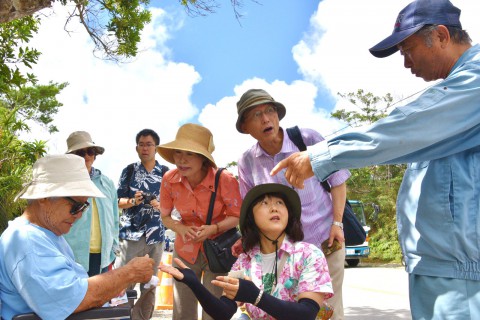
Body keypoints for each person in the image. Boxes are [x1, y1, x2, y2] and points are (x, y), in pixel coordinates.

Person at [271, 0, 480, 318]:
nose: (406, 64)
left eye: (408, 50)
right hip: (441, 262)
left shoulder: (474, 81)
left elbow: (408, 127)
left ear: (440, 35)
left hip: (460, 271)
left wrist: (323, 156)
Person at [235, 88, 350, 319]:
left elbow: (338, 181)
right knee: (287, 312)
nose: (266, 118)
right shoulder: (246, 162)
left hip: (325, 240)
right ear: (245, 127)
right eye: (256, 115)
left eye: (269, 111)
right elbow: (251, 210)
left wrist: (337, 223)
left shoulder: (307, 140)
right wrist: (246, 240)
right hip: (283, 254)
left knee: (328, 312)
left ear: (278, 115)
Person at [0, 154, 154, 320]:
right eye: (75, 206)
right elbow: (71, 300)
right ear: (44, 197)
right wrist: (128, 273)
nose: (80, 215)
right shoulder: (28, 242)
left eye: (84, 206)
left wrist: (113, 285)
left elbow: (73, 286)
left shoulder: (49, 234)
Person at [159, 183, 333, 320]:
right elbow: (224, 312)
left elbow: (306, 314)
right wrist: (194, 283)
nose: (274, 208)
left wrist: (256, 297)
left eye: (280, 203)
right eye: (265, 203)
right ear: (252, 218)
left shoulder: (309, 254)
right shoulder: (244, 261)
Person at [157, 123, 242, 320]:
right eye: (177, 153)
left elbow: (238, 215)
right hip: (185, 251)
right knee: (182, 309)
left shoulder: (225, 180)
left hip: (219, 251)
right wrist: (181, 228)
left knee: (213, 309)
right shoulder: (169, 180)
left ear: (203, 158)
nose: (181, 159)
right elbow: (165, 217)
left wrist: (215, 227)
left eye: (189, 154)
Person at [115, 128, 169, 320]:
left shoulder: (166, 173)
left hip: (156, 236)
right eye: (141, 144)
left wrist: (159, 205)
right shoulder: (129, 171)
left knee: (150, 284)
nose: (145, 148)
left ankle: (141, 318)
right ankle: (122, 316)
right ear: (136, 147)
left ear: (156, 148)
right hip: (131, 235)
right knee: (123, 280)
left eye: (149, 144)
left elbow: (174, 206)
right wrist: (133, 201)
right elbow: (117, 201)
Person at [64, 131, 119, 276]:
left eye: (90, 151)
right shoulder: (64, 183)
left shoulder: (107, 183)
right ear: (72, 157)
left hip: (104, 257)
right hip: (71, 255)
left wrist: (114, 247)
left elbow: (114, 219)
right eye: (81, 153)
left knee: (100, 298)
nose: (87, 156)